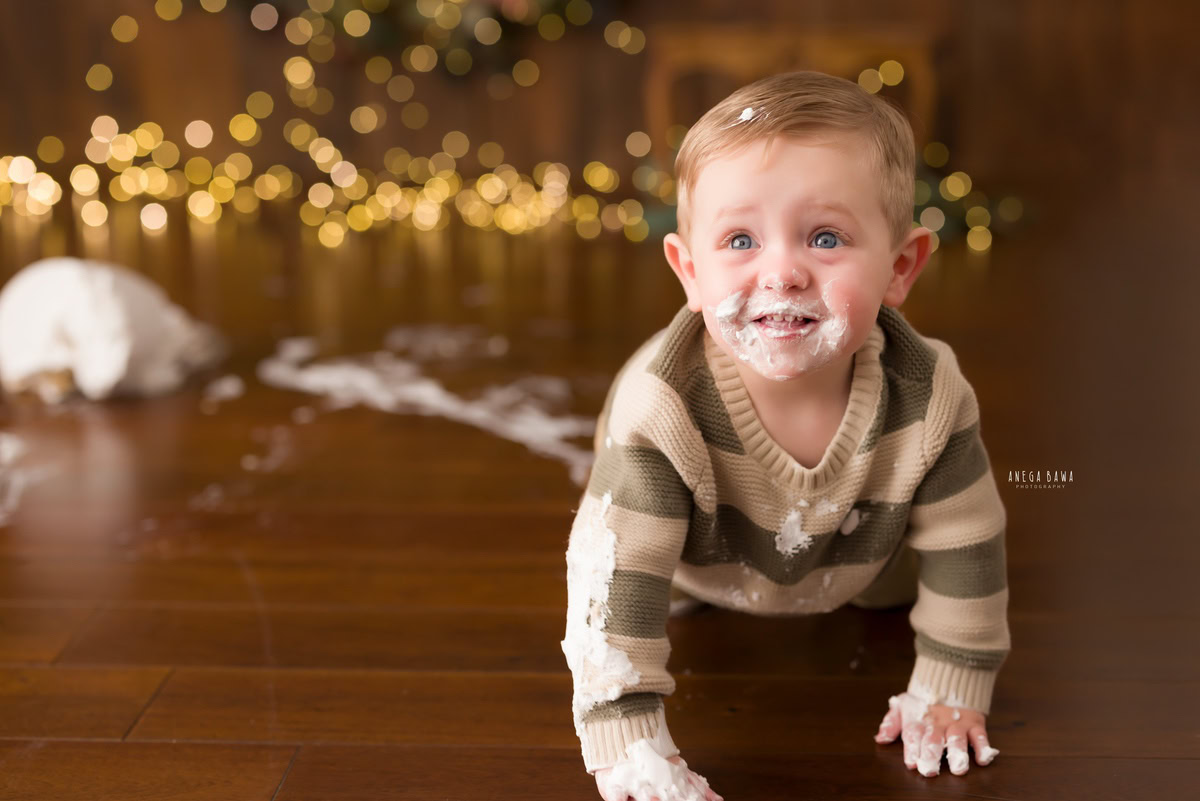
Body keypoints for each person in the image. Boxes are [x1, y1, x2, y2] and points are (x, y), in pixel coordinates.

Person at [560, 70, 1009, 801]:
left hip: (861, 542)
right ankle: (693, 591)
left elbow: (967, 537)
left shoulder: (929, 397)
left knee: (901, 583)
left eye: (825, 237)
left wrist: (953, 680)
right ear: (691, 271)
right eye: (740, 239)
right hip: (693, 553)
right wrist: (627, 735)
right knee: (643, 573)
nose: (782, 272)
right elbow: (611, 575)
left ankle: (866, 581)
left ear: (900, 267)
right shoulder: (663, 408)